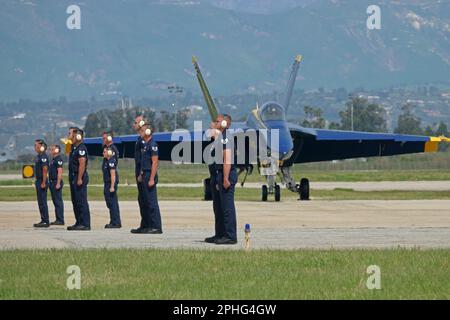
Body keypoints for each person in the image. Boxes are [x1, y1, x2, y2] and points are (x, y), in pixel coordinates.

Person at [131, 123, 162, 234]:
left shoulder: (152, 144)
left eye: (143, 131)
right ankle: (146, 225)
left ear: (148, 132)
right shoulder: (145, 145)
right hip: (144, 174)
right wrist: (140, 174)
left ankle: (156, 226)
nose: (140, 132)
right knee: (143, 201)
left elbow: (154, 162)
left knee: (151, 202)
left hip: (149, 175)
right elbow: (143, 162)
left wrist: (152, 178)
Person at [215, 114, 238, 245]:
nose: (215, 123)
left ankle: (230, 236)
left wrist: (225, 178)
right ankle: (223, 234)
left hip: (227, 175)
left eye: (217, 121)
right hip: (222, 174)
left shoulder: (225, 138)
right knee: (223, 207)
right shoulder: (221, 138)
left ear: (224, 124)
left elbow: (227, 160)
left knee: (228, 207)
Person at [204, 119, 225, 243]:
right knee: (217, 209)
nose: (208, 131)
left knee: (223, 209)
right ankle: (219, 234)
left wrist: (219, 180)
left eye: (211, 129)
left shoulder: (221, 143)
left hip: (219, 178)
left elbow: (221, 162)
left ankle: (226, 235)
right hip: (214, 177)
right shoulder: (214, 143)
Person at [67, 127, 91, 231]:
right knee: (75, 201)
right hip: (73, 176)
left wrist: (79, 178)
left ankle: (85, 224)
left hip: (79, 176)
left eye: (70, 134)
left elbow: (82, 164)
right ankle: (79, 222)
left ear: (78, 136)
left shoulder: (81, 149)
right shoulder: (74, 148)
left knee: (81, 201)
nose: (69, 136)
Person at [131, 115, 147, 231]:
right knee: (142, 199)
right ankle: (145, 224)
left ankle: (151, 225)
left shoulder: (143, 141)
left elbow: (144, 159)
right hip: (139, 173)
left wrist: (141, 172)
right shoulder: (139, 139)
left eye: (135, 122)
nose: (134, 124)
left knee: (147, 200)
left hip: (143, 173)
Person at [102, 145, 121, 228]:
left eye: (105, 151)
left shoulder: (111, 161)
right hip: (107, 183)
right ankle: (113, 221)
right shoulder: (106, 161)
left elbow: (113, 175)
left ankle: (116, 222)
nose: (103, 153)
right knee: (110, 203)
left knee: (112, 203)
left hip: (110, 184)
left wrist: (112, 186)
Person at [33, 139, 50, 228]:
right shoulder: (38, 156)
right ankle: (43, 219)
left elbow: (45, 169)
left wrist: (43, 182)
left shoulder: (43, 156)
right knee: (40, 202)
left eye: (37, 146)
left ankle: (45, 221)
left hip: (42, 181)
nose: (35, 147)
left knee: (43, 201)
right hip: (38, 180)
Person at [48, 144, 64, 225]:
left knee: (58, 201)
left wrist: (58, 183)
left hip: (56, 182)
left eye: (53, 149)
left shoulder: (58, 159)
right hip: (52, 182)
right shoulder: (53, 160)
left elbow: (60, 172)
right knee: (55, 201)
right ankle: (58, 218)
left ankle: (60, 219)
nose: (51, 151)